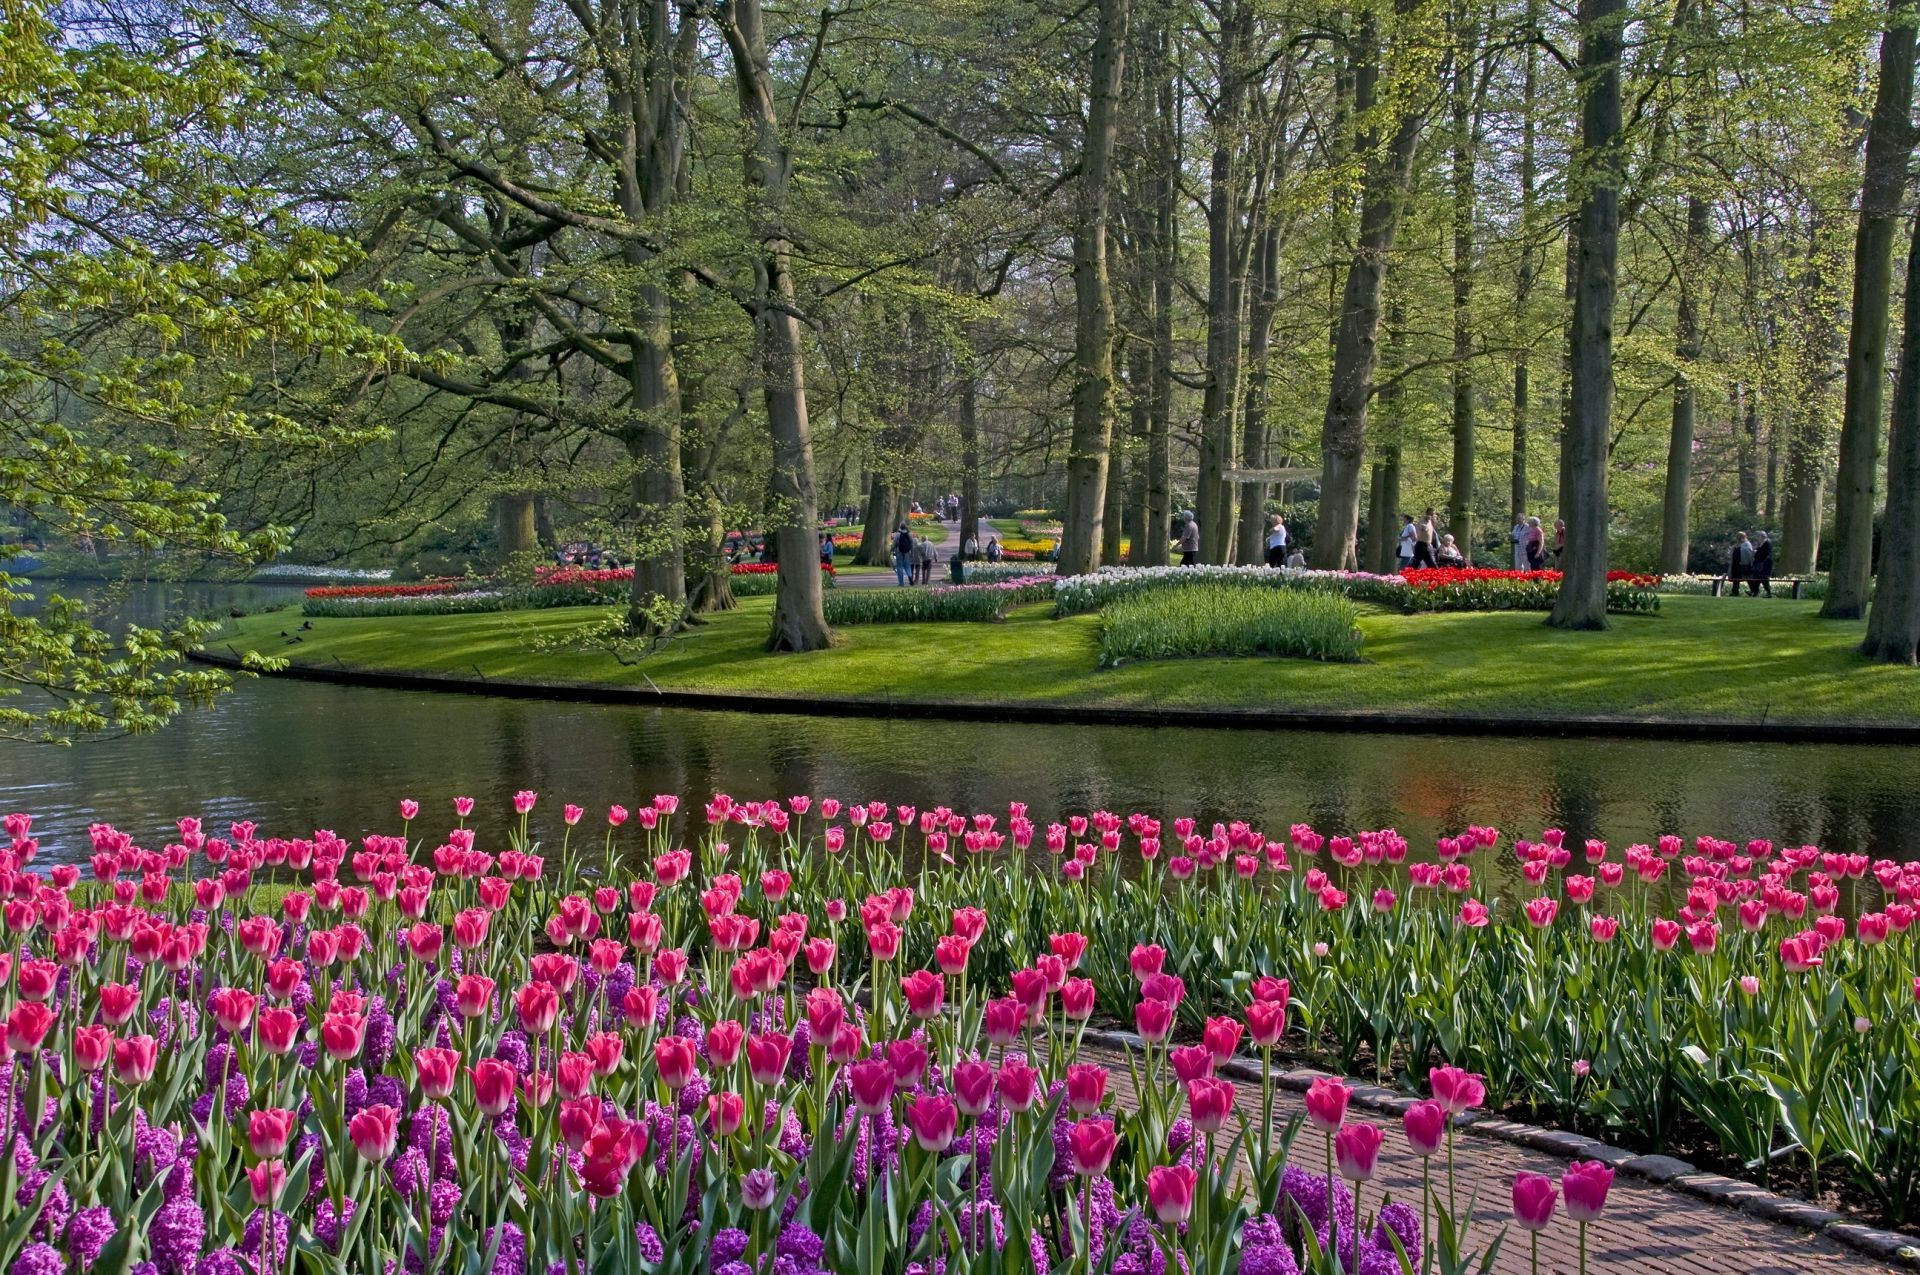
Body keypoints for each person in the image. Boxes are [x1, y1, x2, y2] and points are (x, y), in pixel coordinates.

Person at [1751, 530, 1774, 596]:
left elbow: (1766, 554)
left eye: (1758, 536)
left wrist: (1757, 553)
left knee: (1763, 578)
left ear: (1762, 536)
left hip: (1764, 563)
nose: (1757, 538)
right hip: (1761, 562)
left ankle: (1767, 592)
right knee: (1758, 577)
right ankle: (1755, 592)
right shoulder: (1763, 543)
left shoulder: (1767, 543)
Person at [892, 522, 914, 586]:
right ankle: (910, 576)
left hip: (899, 552)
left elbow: (894, 544)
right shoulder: (909, 534)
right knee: (907, 566)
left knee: (899, 567)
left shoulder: (898, 534)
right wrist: (912, 552)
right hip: (907, 552)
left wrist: (892, 550)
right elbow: (911, 544)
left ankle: (901, 583)